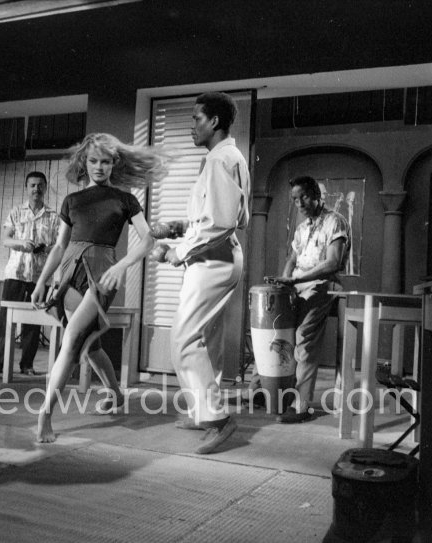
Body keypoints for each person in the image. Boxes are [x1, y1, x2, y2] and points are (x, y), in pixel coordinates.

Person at [33, 132, 168, 443]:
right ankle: (116, 393)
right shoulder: (72, 201)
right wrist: (42, 281)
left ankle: (44, 415)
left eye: (105, 161)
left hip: (103, 272)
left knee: (70, 340)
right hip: (69, 271)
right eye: (93, 161)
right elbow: (59, 245)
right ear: (84, 162)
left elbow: (148, 240)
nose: (98, 166)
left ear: (114, 164)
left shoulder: (126, 200)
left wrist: (120, 267)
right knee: (88, 345)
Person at [164, 92, 251, 454]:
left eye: (197, 119)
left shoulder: (219, 160)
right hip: (217, 257)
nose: (191, 127)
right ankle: (205, 411)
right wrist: (181, 226)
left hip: (213, 259)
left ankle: (217, 419)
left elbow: (221, 223)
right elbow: (226, 215)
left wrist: (178, 251)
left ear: (215, 121)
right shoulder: (228, 157)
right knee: (206, 338)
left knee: (183, 338)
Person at [273, 175, 351, 423]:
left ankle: (301, 406)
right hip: (296, 285)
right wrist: (285, 282)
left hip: (321, 284)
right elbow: (291, 260)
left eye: (303, 197)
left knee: (303, 339)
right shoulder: (302, 227)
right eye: (295, 199)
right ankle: (271, 394)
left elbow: (332, 263)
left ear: (317, 194)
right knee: (279, 334)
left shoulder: (335, 222)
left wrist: (295, 280)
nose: (299, 203)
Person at [0, 171, 59, 376]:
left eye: (40, 185)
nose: (36, 189)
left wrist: (46, 248)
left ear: (45, 188)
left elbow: (60, 245)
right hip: (16, 274)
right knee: (4, 320)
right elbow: (6, 239)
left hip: (40, 277)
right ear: (27, 188)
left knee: (34, 322)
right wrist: (22, 244)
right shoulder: (16, 212)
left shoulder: (54, 217)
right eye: (33, 185)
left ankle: (27, 365)